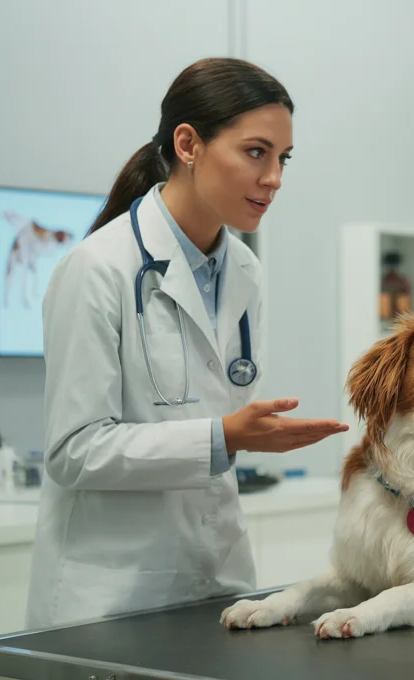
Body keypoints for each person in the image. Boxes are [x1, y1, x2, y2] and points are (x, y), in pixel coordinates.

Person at [24, 58, 348, 629]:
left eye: (283, 159)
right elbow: (73, 450)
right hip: (111, 598)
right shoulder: (97, 268)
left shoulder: (243, 270)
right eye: (256, 152)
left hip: (217, 578)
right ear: (188, 143)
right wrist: (223, 438)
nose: (274, 177)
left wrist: (241, 438)